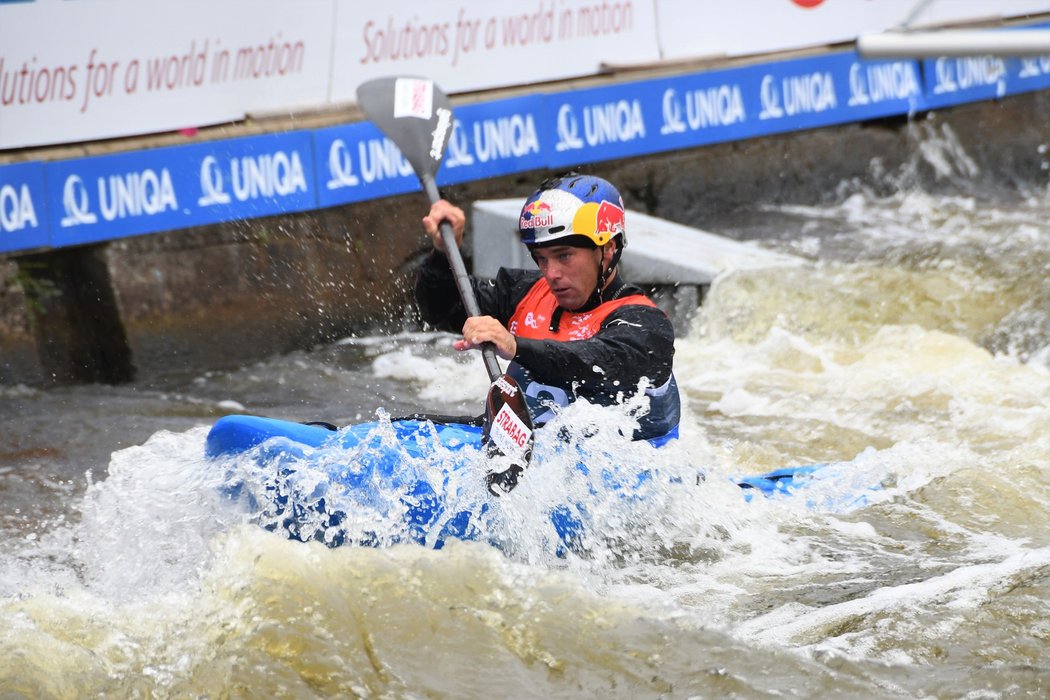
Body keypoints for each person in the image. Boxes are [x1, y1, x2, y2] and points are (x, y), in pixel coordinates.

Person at [415, 173, 680, 443]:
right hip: (528, 453)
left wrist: (516, 345)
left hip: (622, 471)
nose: (551, 273)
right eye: (541, 258)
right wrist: (442, 251)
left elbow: (594, 361)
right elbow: (441, 308)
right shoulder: (525, 293)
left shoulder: (647, 325)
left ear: (608, 248)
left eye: (564, 256)